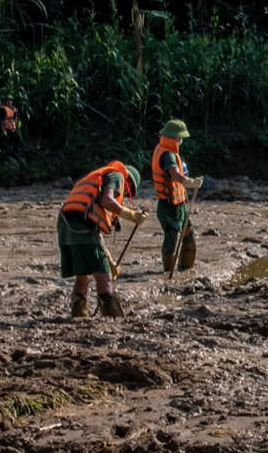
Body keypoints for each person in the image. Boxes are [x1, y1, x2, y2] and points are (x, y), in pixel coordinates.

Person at [57, 159, 146, 318]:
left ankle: (78, 318)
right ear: (129, 183)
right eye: (128, 192)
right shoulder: (117, 176)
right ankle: (115, 322)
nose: (123, 194)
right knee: (104, 278)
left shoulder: (99, 178)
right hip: (82, 227)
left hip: (65, 226)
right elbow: (106, 200)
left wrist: (109, 261)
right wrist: (131, 215)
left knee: (83, 277)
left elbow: (96, 232)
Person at [149, 119, 204, 275]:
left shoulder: (170, 152)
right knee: (172, 240)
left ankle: (186, 271)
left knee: (189, 238)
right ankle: (169, 273)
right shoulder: (167, 155)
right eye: (179, 138)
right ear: (173, 138)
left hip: (180, 204)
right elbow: (174, 173)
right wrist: (188, 182)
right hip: (169, 206)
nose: (181, 141)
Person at [0, 94, 25, 161]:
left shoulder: (14, 109)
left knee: (19, 140)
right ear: (5, 101)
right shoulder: (2, 109)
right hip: (6, 128)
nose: (10, 102)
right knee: (5, 143)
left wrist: (17, 128)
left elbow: (15, 119)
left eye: (11, 100)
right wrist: (3, 130)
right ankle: (4, 158)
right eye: (8, 100)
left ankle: (17, 155)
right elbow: (1, 120)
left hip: (13, 128)